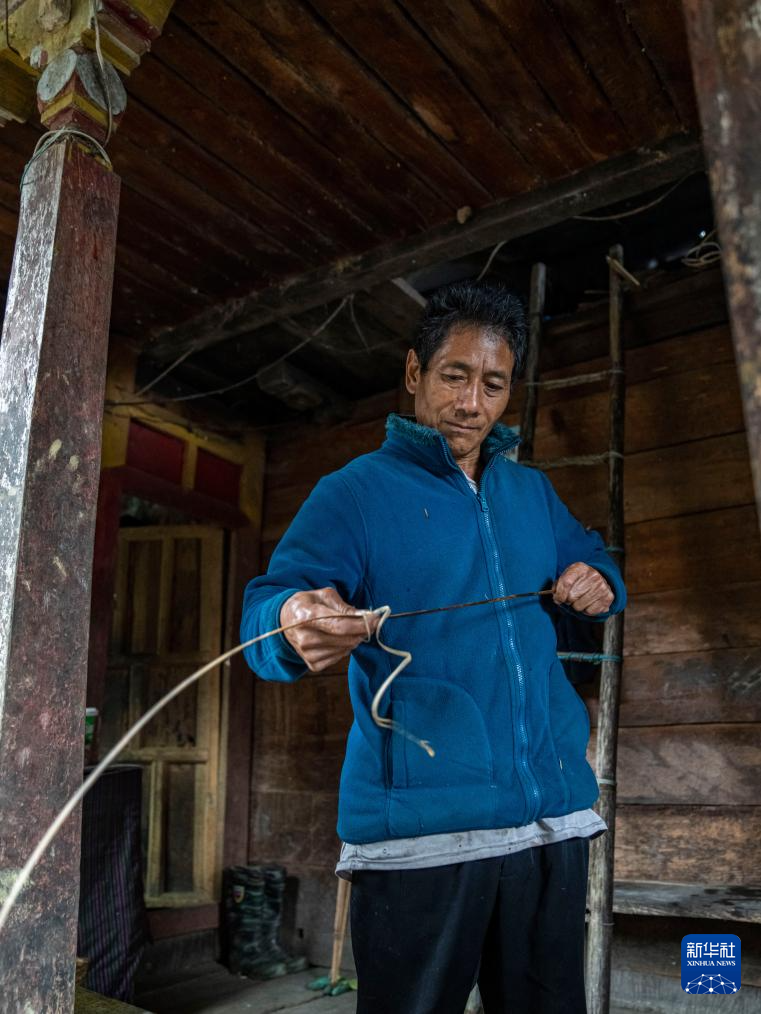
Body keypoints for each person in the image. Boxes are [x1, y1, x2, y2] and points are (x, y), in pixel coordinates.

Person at [241, 280, 626, 1014]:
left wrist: (598, 580)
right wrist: (289, 618)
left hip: (549, 818)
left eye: (493, 384)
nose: (471, 403)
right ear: (414, 372)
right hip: (421, 831)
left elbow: (593, 560)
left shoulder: (531, 493)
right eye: (454, 375)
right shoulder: (354, 493)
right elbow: (266, 614)